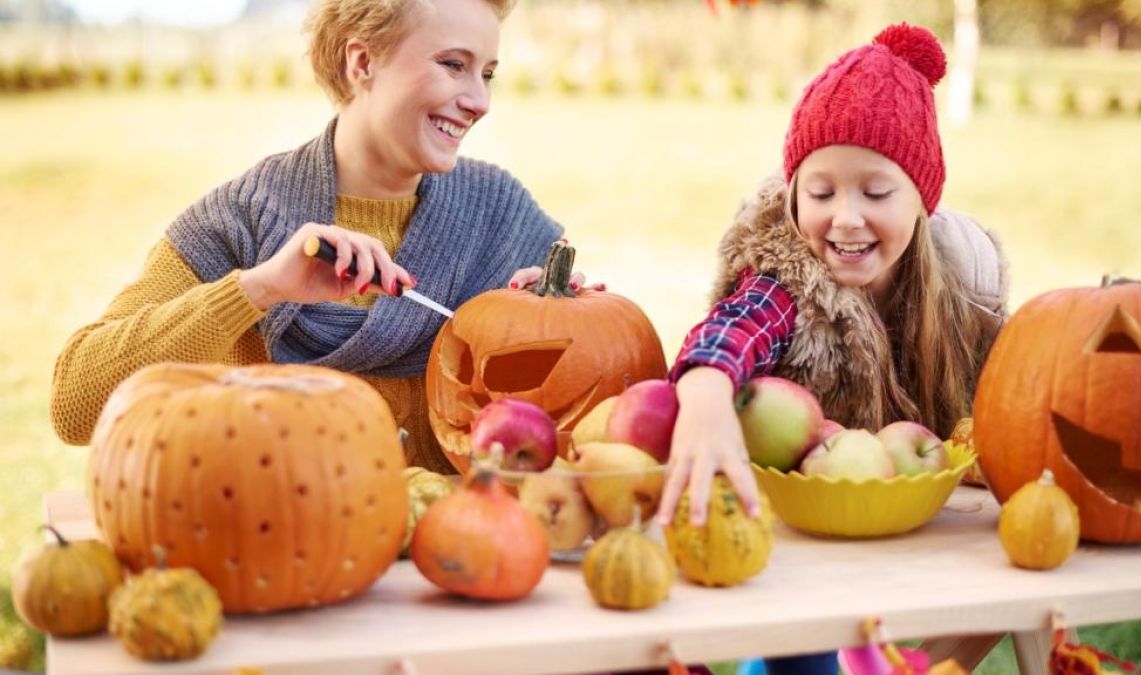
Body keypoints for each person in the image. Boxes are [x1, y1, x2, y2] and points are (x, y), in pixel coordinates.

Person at [50, 0, 568, 473]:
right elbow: (75, 405)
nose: (480, 101)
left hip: (461, 554)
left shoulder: (503, 216)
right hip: (282, 554)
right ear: (362, 63)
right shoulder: (240, 221)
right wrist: (257, 290)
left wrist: (542, 326)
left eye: (488, 73)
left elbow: (565, 423)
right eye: (454, 65)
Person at [653, 24, 1009, 675]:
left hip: (918, 524)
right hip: (807, 533)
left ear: (921, 200)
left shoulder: (959, 293)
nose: (845, 217)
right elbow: (729, 332)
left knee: (993, 602)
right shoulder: (786, 281)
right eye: (820, 193)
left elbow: (1021, 385)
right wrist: (704, 391)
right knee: (807, 648)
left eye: (875, 192)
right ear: (793, 196)